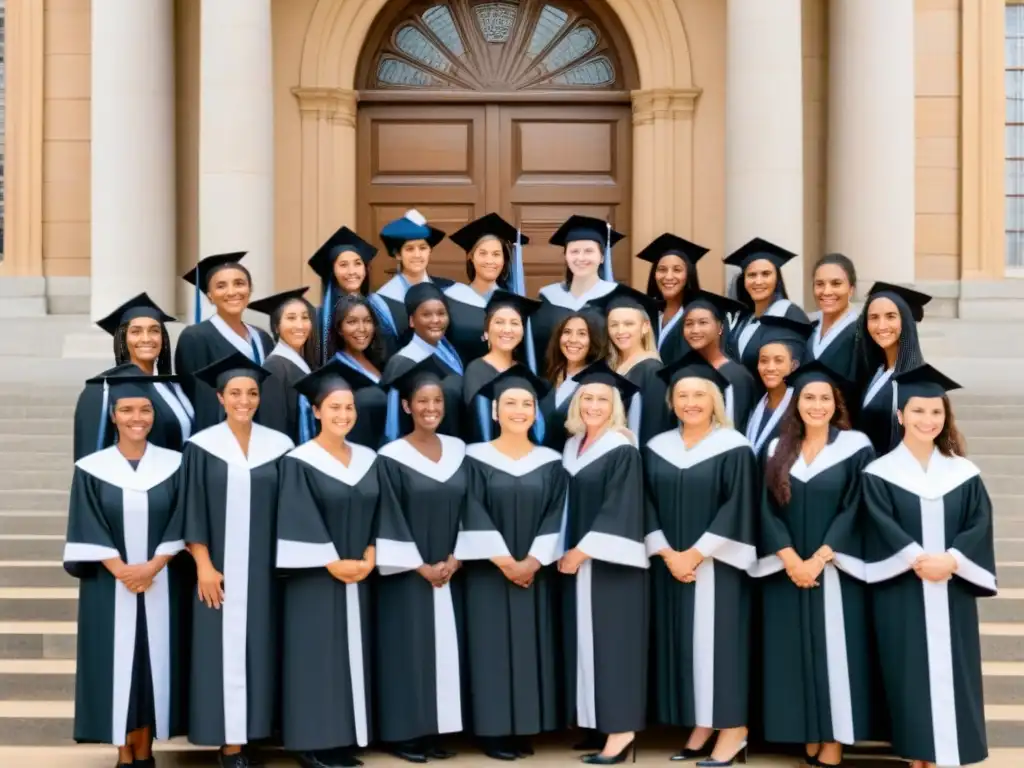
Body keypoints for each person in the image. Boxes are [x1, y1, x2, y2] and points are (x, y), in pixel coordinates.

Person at [861, 364, 996, 768]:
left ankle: (948, 754)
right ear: (900, 415)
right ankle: (920, 753)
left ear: (945, 417)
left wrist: (951, 560)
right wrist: (917, 560)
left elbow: (979, 523)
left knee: (955, 670)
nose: (927, 419)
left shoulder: (963, 472)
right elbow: (878, 522)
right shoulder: (879, 472)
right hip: (901, 587)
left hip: (951, 586)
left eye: (936, 412)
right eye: (918, 411)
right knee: (908, 673)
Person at [752, 360, 878, 767]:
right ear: (796, 403)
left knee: (835, 653)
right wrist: (790, 559)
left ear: (836, 403)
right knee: (790, 653)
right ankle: (804, 729)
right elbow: (765, 509)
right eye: (809, 397)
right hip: (785, 570)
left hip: (835, 568)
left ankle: (834, 738)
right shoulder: (775, 449)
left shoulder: (856, 446)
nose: (817, 404)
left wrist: (821, 558)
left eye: (825, 398)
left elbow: (856, 507)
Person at [64, 372, 189, 768]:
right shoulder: (91, 468)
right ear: (114, 416)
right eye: (127, 410)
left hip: (162, 580)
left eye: (145, 409)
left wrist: (152, 566)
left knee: (151, 664)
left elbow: (184, 519)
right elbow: (86, 522)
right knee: (119, 665)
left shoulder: (175, 464)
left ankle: (146, 751)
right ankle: (123, 752)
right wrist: (123, 570)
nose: (138, 417)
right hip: (109, 585)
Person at [176, 352, 295, 767]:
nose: (244, 400)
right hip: (219, 571)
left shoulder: (279, 447)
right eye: (235, 393)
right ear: (219, 397)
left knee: (263, 648)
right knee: (220, 653)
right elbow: (191, 509)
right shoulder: (201, 447)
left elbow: (290, 511)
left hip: (266, 572)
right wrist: (203, 566)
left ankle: (256, 730)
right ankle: (229, 744)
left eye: (252, 393)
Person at [643, 352, 757, 767]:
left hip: (717, 565)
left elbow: (738, 506)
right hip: (670, 564)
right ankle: (703, 723)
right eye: (683, 395)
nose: (691, 402)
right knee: (687, 645)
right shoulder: (658, 447)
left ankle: (733, 729)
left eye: (700, 395)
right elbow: (645, 504)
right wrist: (667, 553)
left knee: (721, 646)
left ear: (714, 401)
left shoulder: (734, 447)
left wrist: (695, 553)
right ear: (671, 401)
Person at [454, 365, 568, 760]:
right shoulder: (474, 458)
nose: (519, 410)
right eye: (510, 404)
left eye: (526, 404)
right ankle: (492, 729)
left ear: (536, 413)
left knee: (529, 644)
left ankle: (524, 725)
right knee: (490, 648)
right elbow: (471, 509)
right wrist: (505, 561)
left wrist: (533, 561)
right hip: (490, 572)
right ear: (496, 413)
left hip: (533, 573)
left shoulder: (551, 461)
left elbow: (558, 513)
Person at [276, 360, 381, 768]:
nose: (343, 415)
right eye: (334, 408)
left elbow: (382, 512)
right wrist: (330, 562)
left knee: (352, 652)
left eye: (349, 408)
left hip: (362, 573)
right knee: (316, 655)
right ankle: (312, 741)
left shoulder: (369, 459)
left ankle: (343, 738)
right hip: (316, 579)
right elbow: (296, 515)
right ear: (316, 411)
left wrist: (371, 555)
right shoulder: (299, 461)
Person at [374, 358, 468, 763]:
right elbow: (386, 514)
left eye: (437, 401)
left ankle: (433, 731)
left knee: (444, 651)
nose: (431, 407)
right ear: (407, 407)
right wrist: (418, 565)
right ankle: (403, 734)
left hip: (450, 570)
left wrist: (457, 557)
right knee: (406, 651)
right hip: (407, 575)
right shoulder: (391, 456)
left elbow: (473, 508)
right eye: (422, 401)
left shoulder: (461, 451)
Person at [559, 361, 649, 765]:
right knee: (587, 643)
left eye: (602, 399)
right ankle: (596, 721)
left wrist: (582, 550)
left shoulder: (621, 446)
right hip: (578, 564)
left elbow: (621, 507)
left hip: (611, 565)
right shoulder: (573, 444)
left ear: (615, 406)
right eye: (587, 398)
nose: (594, 405)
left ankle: (622, 729)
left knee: (615, 646)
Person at [76, 293, 195, 459]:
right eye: (136, 332)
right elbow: (89, 456)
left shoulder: (173, 386)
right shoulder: (105, 389)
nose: (146, 339)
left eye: (154, 331)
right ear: (123, 339)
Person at [174, 253, 274, 431]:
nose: (232, 292)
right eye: (221, 286)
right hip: (219, 435)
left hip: (262, 431)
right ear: (210, 296)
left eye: (239, 283)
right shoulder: (196, 337)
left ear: (249, 290)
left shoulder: (262, 337)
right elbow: (197, 397)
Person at [380, 283, 465, 442]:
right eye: (426, 315)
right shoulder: (401, 363)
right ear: (412, 321)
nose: (436, 320)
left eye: (441, 313)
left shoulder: (450, 353)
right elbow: (393, 423)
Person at [590, 284, 671, 446]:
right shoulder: (611, 367)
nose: (620, 331)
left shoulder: (653, 372)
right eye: (614, 325)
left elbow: (653, 430)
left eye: (628, 324)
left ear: (645, 327)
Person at [531, 215, 623, 358]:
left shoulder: (617, 298)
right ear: (566, 256)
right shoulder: (548, 298)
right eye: (574, 251)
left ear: (602, 257)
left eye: (588, 251)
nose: (581, 258)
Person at [854, 282, 930, 454]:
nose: (881, 326)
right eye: (874, 317)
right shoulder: (876, 373)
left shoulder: (918, 383)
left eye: (890, 316)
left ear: (905, 321)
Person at [444, 213, 527, 365]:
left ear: (504, 259)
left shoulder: (513, 302)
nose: (490, 261)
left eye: (496, 254)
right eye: (483, 253)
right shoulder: (451, 299)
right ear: (471, 256)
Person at [462, 291, 542, 444]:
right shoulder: (476, 370)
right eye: (499, 322)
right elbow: (478, 426)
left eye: (514, 323)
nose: (507, 329)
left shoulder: (525, 372)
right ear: (486, 332)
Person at [722, 238, 809, 377]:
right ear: (744, 280)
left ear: (777, 279)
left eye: (766, 274)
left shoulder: (790, 313)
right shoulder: (743, 320)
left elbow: (797, 368)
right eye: (751, 275)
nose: (758, 281)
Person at [370, 209, 454, 349]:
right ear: (398, 254)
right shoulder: (383, 300)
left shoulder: (447, 289)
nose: (417, 255)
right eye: (409, 249)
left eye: (422, 248)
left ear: (430, 251)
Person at [249, 288, 320, 445]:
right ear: (276, 327)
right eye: (291, 318)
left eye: (305, 317)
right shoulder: (274, 368)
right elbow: (273, 429)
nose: (300, 325)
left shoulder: (303, 365)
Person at [680, 291, 758, 433]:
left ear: (721, 328)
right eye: (689, 324)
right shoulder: (684, 370)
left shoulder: (736, 376)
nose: (695, 330)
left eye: (703, 322)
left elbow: (736, 428)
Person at [305, 225, 384, 362]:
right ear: (332, 272)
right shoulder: (318, 319)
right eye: (343, 265)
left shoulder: (381, 309)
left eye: (357, 263)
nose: (352, 271)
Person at [327, 293, 389, 449]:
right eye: (352, 322)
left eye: (367, 321)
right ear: (339, 329)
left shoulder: (381, 364)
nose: (362, 329)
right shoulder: (333, 373)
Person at [539, 311, 608, 453]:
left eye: (582, 334)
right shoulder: (549, 378)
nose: (573, 339)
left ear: (592, 340)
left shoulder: (597, 384)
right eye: (567, 332)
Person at [745, 316, 814, 456]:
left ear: (794, 366)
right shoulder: (756, 404)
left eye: (779, 361)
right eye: (764, 361)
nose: (770, 368)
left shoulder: (799, 410)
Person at [635, 233, 708, 365]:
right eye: (662, 269)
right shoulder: (649, 315)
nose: (668, 277)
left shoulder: (700, 316)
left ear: (688, 274)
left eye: (677, 270)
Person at [807, 254, 859, 383]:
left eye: (836, 284)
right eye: (820, 284)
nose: (826, 291)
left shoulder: (860, 332)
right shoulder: (809, 328)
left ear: (851, 289)